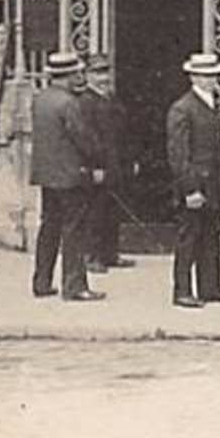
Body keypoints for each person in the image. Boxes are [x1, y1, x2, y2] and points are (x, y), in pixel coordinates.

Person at [166, 52, 220, 308]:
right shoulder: (182, 108)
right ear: (193, 77)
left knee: (210, 236)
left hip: (214, 183)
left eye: (213, 76)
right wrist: (190, 188)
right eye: (204, 76)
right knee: (189, 238)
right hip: (196, 184)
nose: (210, 80)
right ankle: (182, 291)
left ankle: (210, 287)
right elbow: (178, 154)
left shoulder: (211, 103)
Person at [29, 51, 104, 302]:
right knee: (74, 230)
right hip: (71, 175)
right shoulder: (70, 103)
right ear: (69, 75)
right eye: (76, 73)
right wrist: (97, 160)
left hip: (46, 174)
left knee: (49, 226)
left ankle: (41, 281)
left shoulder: (40, 99)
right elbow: (83, 139)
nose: (79, 77)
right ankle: (74, 286)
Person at [79, 53, 135, 273]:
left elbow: (123, 133)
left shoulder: (110, 99)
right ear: (87, 75)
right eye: (97, 72)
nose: (103, 77)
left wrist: (129, 160)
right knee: (95, 210)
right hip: (99, 166)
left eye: (105, 72)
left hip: (114, 163)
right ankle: (91, 256)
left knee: (112, 210)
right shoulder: (85, 101)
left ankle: (110, 253)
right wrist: (95, 167)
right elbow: (87, 138)